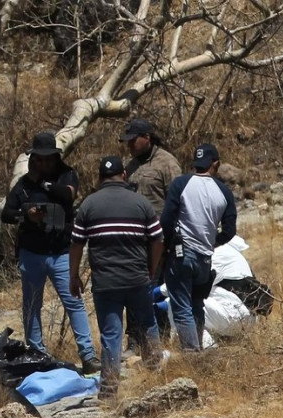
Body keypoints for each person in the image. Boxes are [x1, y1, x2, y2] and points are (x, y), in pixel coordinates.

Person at [2, 132, 100, 374]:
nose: (43, 163)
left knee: (74, 302)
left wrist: (44, 184)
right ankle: (37, 354)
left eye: (48, 159)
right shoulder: (23, 184)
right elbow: (6, 214)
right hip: (32, 253)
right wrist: (27, 215)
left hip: (61, 252)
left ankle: (88, 355)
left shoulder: (67, 174)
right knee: (31, 305)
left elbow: (68, 194)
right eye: (39, 159)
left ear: (55, 158)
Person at [69, 157, 166, 400]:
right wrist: (151, 269)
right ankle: (157, 380)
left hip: (106, 283)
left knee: (111, 334)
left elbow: (76, 244)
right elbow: (158, 240)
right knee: (147, 324)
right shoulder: (141, 203)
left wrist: (74, 276)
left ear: (100, 177)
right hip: (137, 278)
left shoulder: (89, 205)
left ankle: (109, 391)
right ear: (124, 175)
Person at [161, 144, 237, 351]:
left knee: (181, 307)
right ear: (216, 164)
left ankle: (191, 353)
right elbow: (229, 231)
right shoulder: (224, 192)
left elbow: (166, 221)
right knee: (196, 304)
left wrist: (166, 246)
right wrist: (212, 241)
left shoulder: (181, 184)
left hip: (181, 253)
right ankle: (198, 348)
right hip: (205, 258)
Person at [120, 118, 182, 351]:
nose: (129, 145)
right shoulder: (130, 166)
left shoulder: (167, 163)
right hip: (134, 241)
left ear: (147, 137)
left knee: (157, 290)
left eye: (133, 140)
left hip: (160, 240)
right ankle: (135, 340)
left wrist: (170, 237)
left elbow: (178, 202)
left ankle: (160, 339)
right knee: (133, 290)